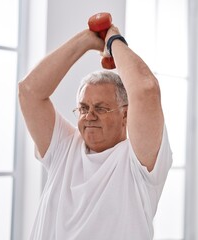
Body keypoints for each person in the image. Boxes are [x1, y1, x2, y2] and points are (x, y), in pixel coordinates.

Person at [18, 21, 173, 240]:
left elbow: (146, 89)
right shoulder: (64, 148)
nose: (89, 116)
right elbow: (29, 91)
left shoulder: (139, 163)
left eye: (101, 108)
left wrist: (114, 40)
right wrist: (88, 40)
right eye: (83, 108)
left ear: (125, 115)